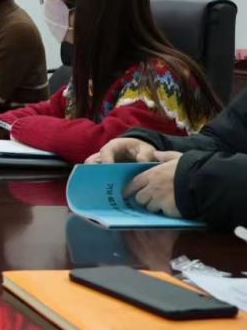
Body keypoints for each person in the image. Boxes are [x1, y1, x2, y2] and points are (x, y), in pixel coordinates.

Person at [0, 0, 218, 165]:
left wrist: (17, 126)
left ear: (86, 10)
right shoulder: (98, 68)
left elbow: (108, 144)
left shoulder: (160, 78)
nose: (47, 2)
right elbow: (52, 109)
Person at [90, 91, 247, 230]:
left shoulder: (156, 76)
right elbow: (223, 140)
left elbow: (99, 135)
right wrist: (154, 146)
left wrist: (196, 181)